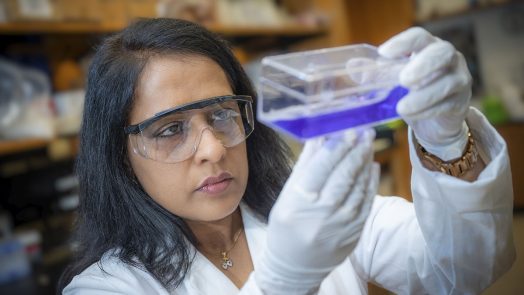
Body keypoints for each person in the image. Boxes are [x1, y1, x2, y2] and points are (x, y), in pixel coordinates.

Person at [60, 18, 515, 294]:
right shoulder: (107, 287)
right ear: (121, 154)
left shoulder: (313, 211)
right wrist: (284, 280)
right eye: (170, 130)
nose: (214, 149)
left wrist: (446, 138)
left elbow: (462, 271)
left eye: (222, 115)